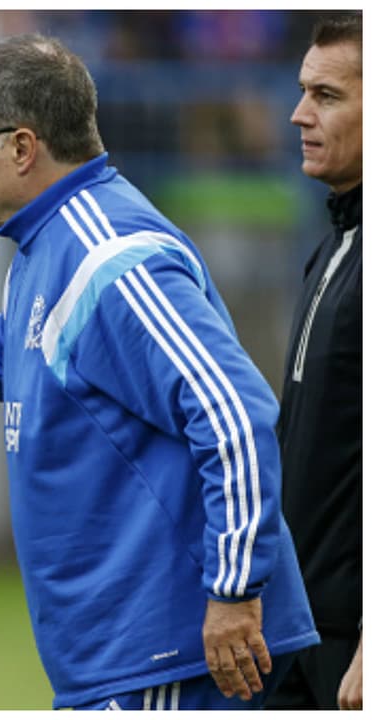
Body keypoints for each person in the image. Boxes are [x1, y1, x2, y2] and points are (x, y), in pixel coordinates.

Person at [0, 33, 319, 710]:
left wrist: (234, 590)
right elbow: (0, 354)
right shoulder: (51, 241)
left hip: (177, 659)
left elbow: (233, 414)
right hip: (132, 663)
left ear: (21, 147)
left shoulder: (111, 258)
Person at [266, 13, 362, 712]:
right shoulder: (332, 245)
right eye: (303, 91)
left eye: (326, 96)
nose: (299, 114)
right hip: (298, 629)